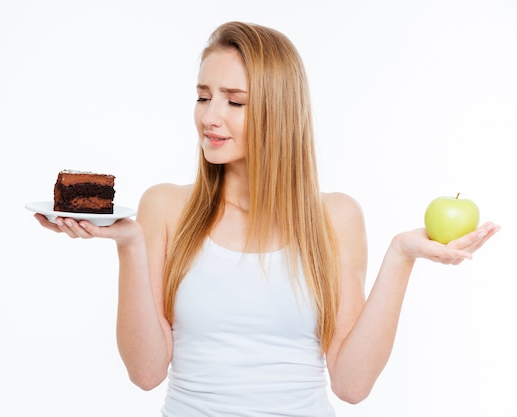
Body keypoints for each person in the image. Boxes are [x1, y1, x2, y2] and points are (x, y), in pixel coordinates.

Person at [33, 21, 500, 417]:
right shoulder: (165, 207)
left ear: (279, 111)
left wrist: (401, 256)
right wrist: (130, 246)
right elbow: (145, 373)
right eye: (203, 96)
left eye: (235, 101)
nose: (210, 117)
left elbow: (351, 385)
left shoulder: (335, 217)